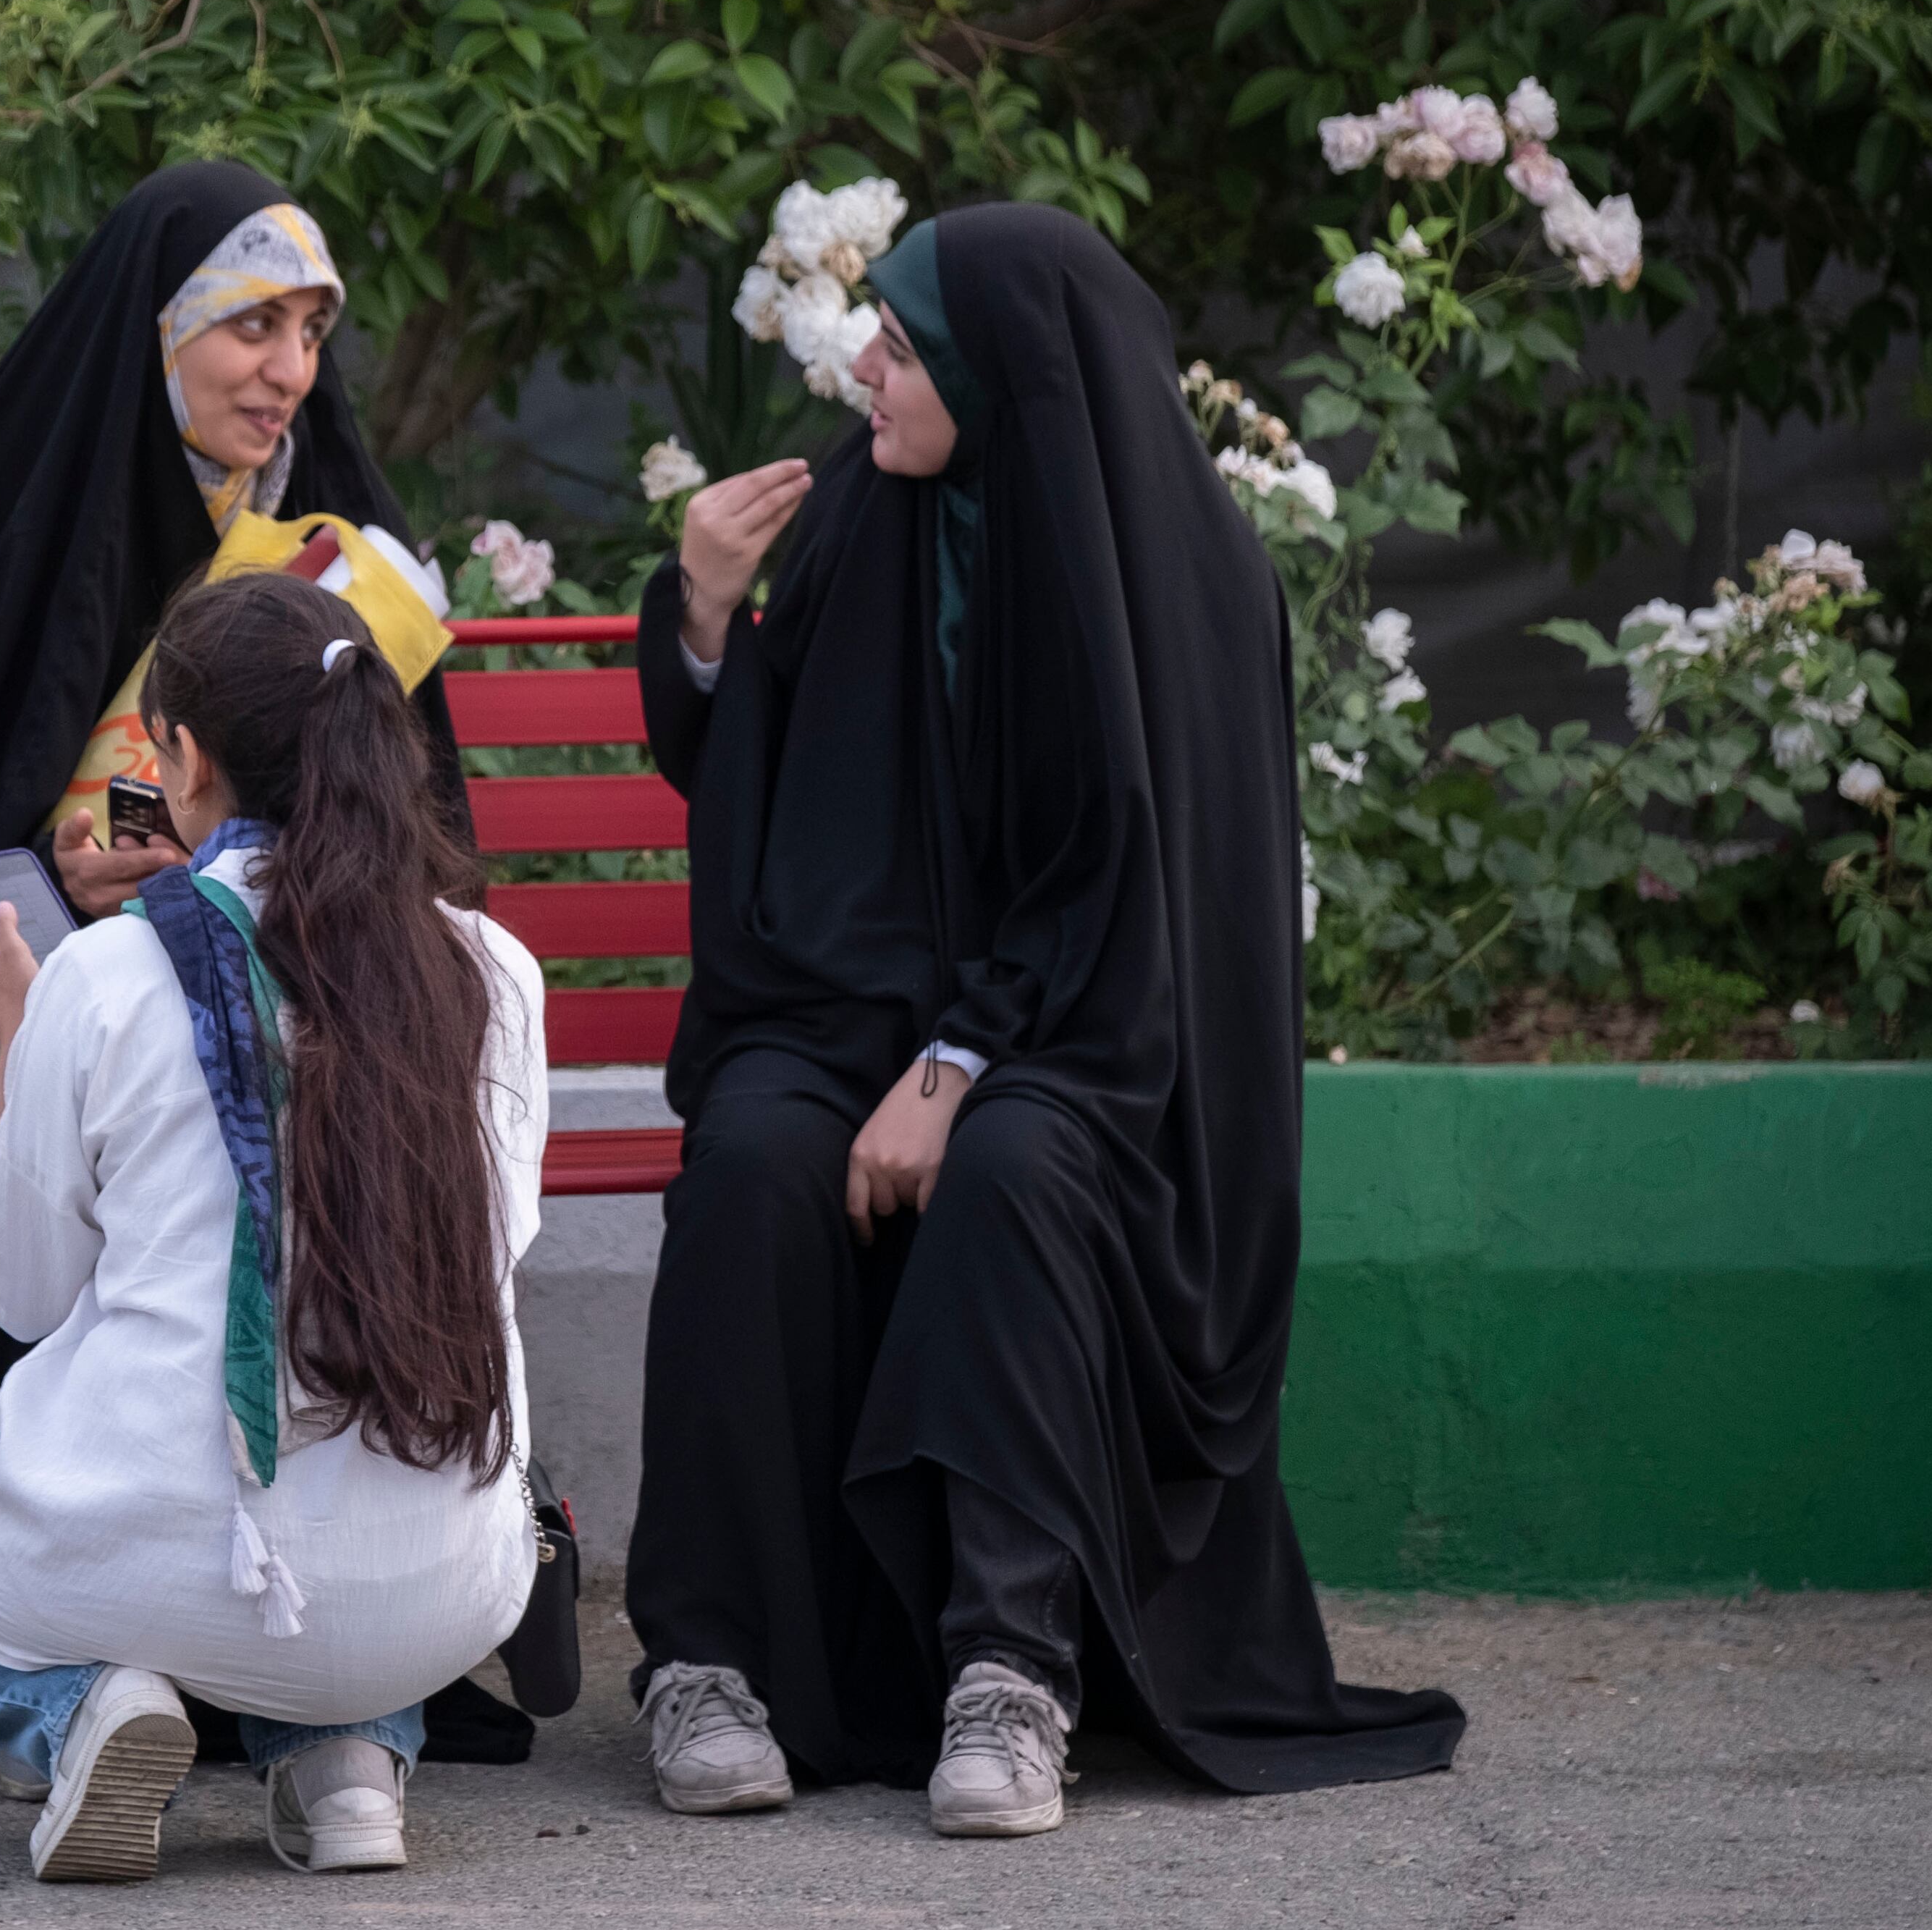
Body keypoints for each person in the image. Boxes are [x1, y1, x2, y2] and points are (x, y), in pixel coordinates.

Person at [625, 201, 1465, 1835]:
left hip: (1098, 1038)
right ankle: (707, 1660)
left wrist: (956, 1061)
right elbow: (765, 790)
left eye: (903, 342)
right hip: (849, 1000)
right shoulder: (870, 510)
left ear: (1005, 370)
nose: (861, 362)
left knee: (1014, 1170)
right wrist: (711, 618)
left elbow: (1146, 898)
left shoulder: (1185, 572)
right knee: (750, 1153)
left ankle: (1010, 1668)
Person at [0, 161, 531, 1775]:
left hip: (160, 1006)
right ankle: (339, 1727)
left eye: (310, 328)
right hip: (58, 967)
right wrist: (65, 872)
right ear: (158, 335)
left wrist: (213, 896)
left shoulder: (336, 554)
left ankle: (78, 1651)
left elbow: (388, 827)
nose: (287, 368)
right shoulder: (18, 518)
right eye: (249, 325)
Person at [0, 570, 550, 1881]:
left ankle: (90, 1714)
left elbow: (19, 1289)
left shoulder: (102, 976)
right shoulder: (491, 967)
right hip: (452, 1585)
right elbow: (497, 1247)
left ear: (180, 759)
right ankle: (350, 1760)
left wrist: (17, 1036)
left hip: (151, 1557)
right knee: (331, 1547)